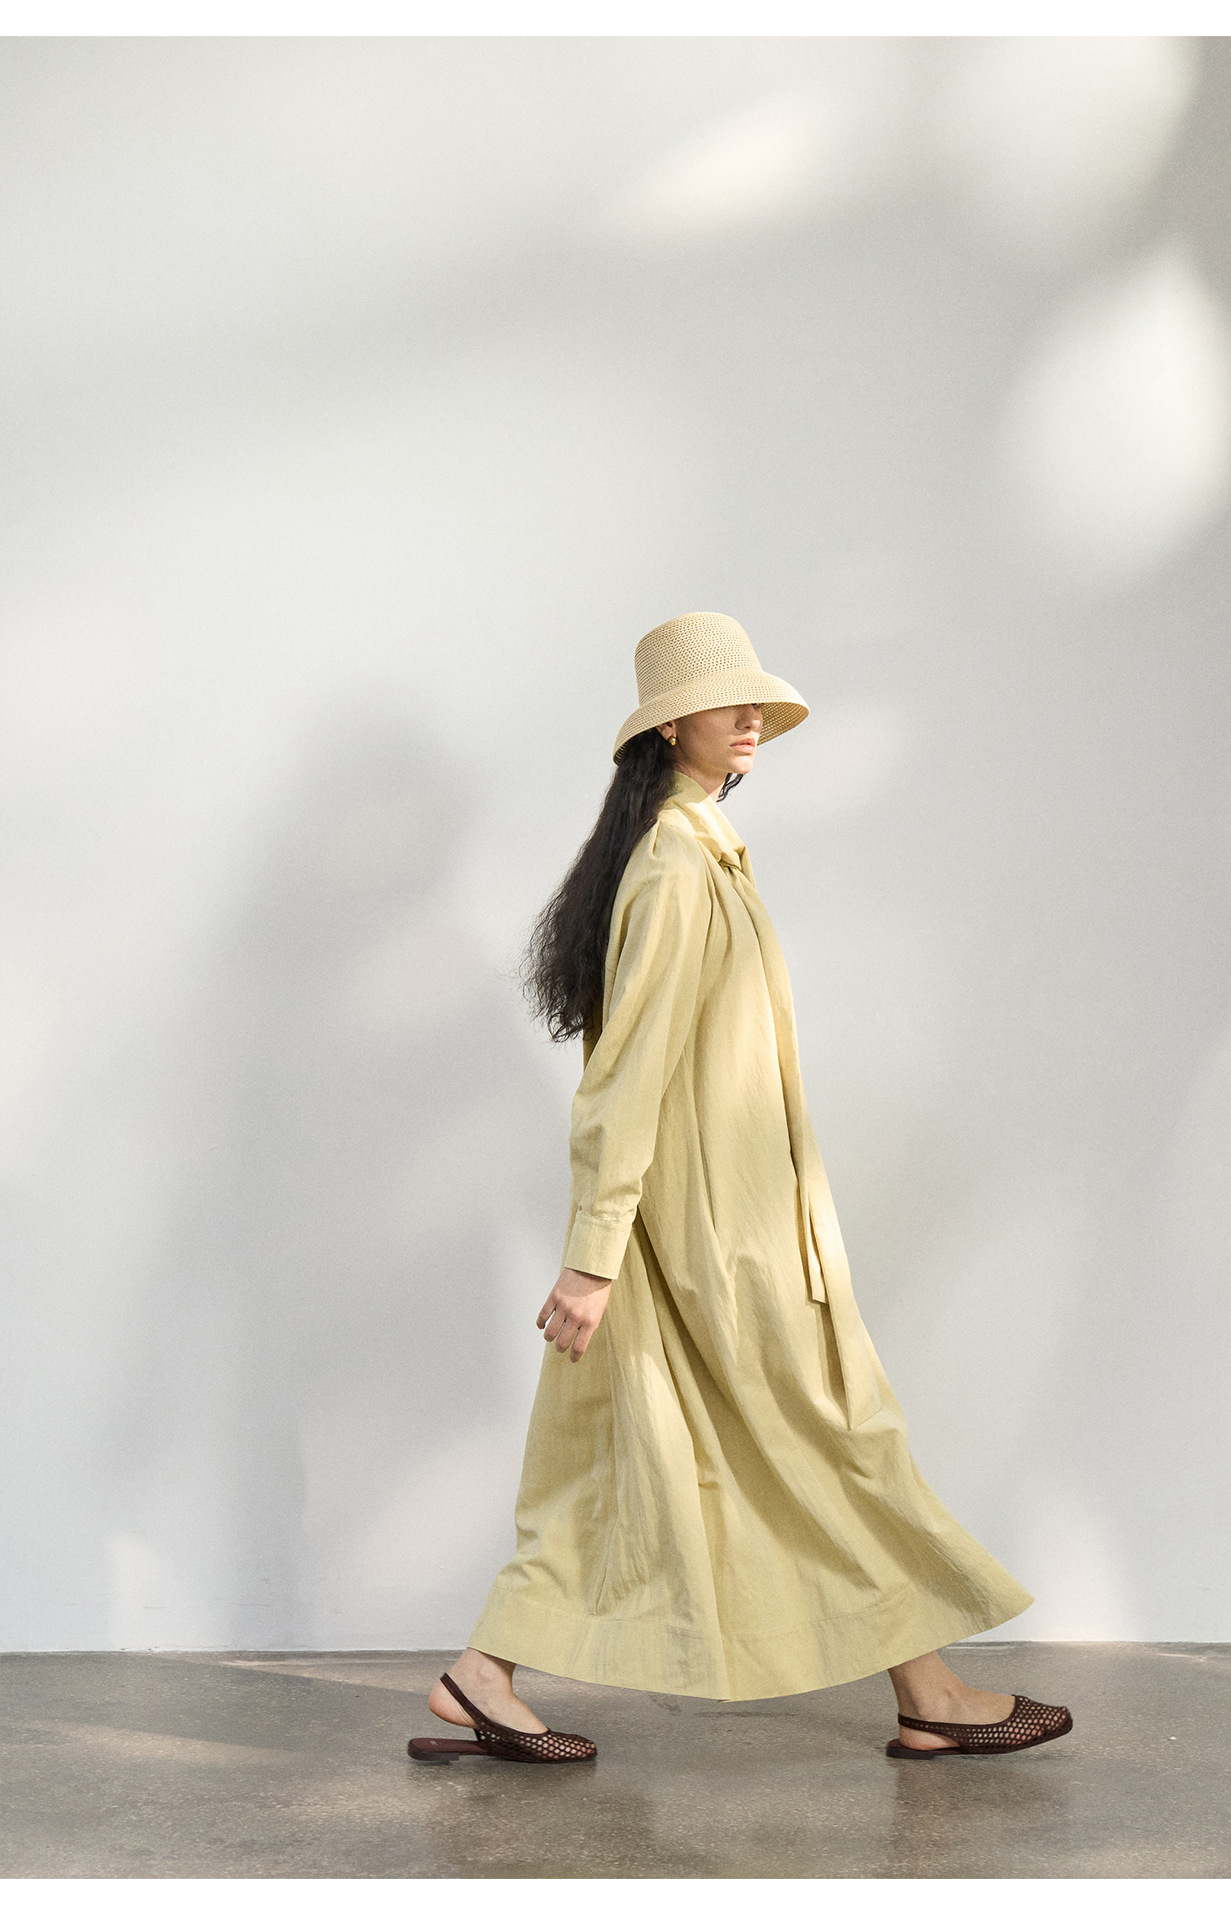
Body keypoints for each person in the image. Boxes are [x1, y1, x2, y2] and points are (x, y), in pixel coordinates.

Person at [408, 612, 1072, 1767]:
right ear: (671, 726)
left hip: (725, 1228)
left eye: (756, 699)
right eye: (728, 701)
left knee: (634, 1455)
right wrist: (591, 1258)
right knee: (836, 1441)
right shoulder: (676, 865)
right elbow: (625, 1077)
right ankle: (927, 1694)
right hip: (716, 1241)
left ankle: (485, 1674)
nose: (752, 717)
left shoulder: (695, 850)